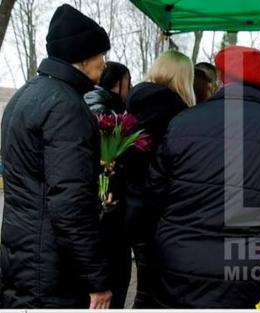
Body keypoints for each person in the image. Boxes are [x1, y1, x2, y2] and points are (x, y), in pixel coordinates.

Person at [147, 45, 260, 308]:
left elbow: (156, 192)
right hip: (250, 267)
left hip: (180, 263)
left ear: (223, 79)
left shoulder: (183, 122)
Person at [0, 4, 112, 308]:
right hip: (51, 270)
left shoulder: (25, 96)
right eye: (102, 55)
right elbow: (70, 201)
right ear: (84, 56)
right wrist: (97, 279)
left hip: (21, 259)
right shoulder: (66, 107)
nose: (104, 64)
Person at [124, 49, 195, 308]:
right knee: (154, 288)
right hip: (157, 210)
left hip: (132, 204)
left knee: (145, 280)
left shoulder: (135, 99)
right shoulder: (173, 110)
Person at [85, 62, 132, 308]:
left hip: (89, 208)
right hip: (109, 209)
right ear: (118, 83)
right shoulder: (112, 112)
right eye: (128, 82)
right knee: (113, 279)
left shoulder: (79, 102)